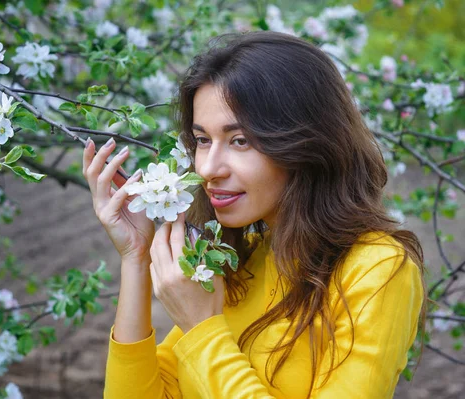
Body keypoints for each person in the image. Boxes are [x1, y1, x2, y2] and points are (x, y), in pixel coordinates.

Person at [82, 31, 427, 398]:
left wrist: (202, 328)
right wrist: (135, 259)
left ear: (306, 142)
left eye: (240, 141)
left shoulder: (379, 270)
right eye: (202, 140)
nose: (209, 168)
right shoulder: (240, 256)